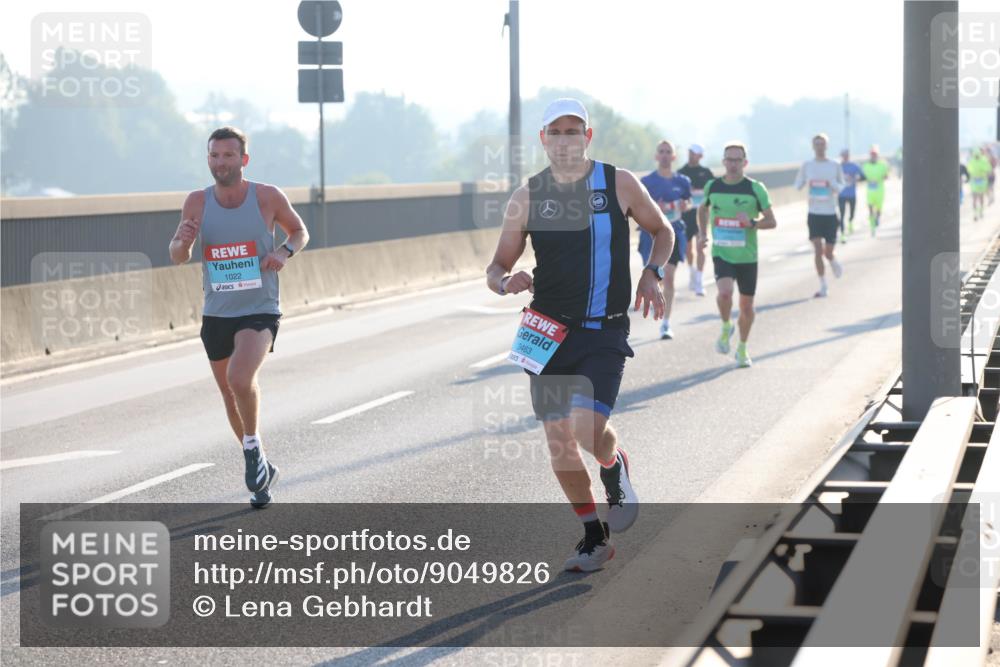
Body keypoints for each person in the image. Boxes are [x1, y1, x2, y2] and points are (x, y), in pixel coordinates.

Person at [486, 98, 672, 572]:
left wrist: (652, 272)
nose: (565, 140)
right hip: (546, 332)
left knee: (587, 429)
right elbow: (497, 265)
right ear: (543, 139)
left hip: (603, 330)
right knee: (558, 441)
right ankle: (594, 537)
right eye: (556, 131)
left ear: (587, 137)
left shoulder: (618, 183)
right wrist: (506, 281)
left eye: (574, 131)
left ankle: (613, 466)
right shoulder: (527, 196)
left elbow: (661, 229)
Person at [169, 126, 309, 508]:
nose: (221, 162)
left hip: (259, 308)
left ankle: (251, 451)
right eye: (214, 156)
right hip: (217, 312)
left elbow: (299, 231)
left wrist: (283, 252)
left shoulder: (267, 197)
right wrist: (181, 240)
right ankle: (261, 471)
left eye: (229, 156)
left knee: (240, 378)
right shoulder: (196, 202)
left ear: (243, 160)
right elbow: (178, 255)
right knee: (230, 396)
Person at [698, 142, 777, 368]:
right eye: (729, 160)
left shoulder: (755, 189)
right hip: (722, 252)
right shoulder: (713, 186)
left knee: (747, 307)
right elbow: (702, 209)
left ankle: (742, 347)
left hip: (747, 257)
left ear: (745, 162)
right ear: (723, 162)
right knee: (724, 293)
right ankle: (725, 325)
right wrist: (703, 233)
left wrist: (751, 222)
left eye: (737, 160)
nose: (733, 164)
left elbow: (772, 221)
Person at [639, 140, 691, 339]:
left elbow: (688, 201)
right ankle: (656, 297)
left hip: (674, 232)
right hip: (650, 236)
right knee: (655, 276)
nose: (665, 155)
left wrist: (684, 205)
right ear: (656, 156)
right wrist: (654, 208)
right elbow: (637, 208)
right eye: (661, 151)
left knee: (668, 276)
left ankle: (666, 324)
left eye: (668, 152)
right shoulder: (646, 181)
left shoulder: (683, 181)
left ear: (674, 156)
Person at [794, 133, 845, 298]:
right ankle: (823, 285)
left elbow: (842, 187)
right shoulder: (807, 165)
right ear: (813, 146)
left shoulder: (834, 165)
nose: (819, 147)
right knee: (817, 249)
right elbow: (797, 185)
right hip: (814, 213)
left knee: (827, 252)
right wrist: (807, 183)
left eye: (822, 144)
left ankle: (833, 260)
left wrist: (832, 184)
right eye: (817, 144)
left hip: (830, 213)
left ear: (826, 146)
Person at [678, 144, 714, 295]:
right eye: (691, 152)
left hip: (702, 215)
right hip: (686, 216)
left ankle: (699, 281)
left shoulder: (706, 173)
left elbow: (714, 191)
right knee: (687, 249)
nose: (692, 155)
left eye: (695, 153)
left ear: (700, 156)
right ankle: (692, 271)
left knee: (701, 246)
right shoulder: (681, 173)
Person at [861, 145, 890, 236]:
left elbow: (886, 176)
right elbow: (862, 177)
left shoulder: (883, 165)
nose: (873, 156)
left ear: (877, 155)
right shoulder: (865, 165)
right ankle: (872, 227)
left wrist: (882, 177)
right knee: (870, 209)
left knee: (879, 209)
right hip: (870, 191)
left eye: (875, 154)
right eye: (872, 154)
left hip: (880, 190)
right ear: (870, 155)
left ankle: (877, 218)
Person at [837, 148, 864, 240]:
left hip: (852, 194)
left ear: (848, 156)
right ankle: (842, 233)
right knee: (842, 214)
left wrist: (858, 177)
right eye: (843, 155)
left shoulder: (854, 166)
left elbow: (863, 177)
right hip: (842, 194)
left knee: (852, 213)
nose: (845, 157)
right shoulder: (838, 167)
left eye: (846, 155)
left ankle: (850, 222)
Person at [968, 147, 992, 221]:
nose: (976, 156)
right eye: (975, 155)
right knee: (974, 198)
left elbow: (989, 169)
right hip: (974, 181)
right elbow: (969, 170)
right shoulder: (971, 161)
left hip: (982, 181)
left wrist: (983, 172)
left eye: (977, 154)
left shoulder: (984, 160)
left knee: (981, 197)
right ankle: (975, 214)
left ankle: (981, 211)